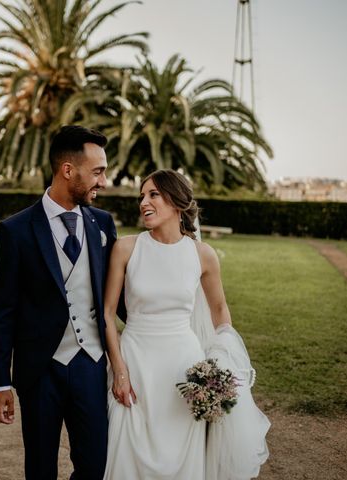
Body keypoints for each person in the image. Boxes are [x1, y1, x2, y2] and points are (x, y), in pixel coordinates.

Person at [102, 169, 270, 479]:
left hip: (184, 368)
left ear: (177, 202)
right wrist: (120, 371)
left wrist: (219, 358)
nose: (143, 202)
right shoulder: (126, 248)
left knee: (182, 455)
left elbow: (219, 309)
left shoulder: (202, 255)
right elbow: (107, 313)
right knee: (128, 449)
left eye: (153, 194)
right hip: (136, 361)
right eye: (142, 196)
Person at [0, 125, 120, 480]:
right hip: (39, 370)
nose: (103, 182)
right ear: (68, 171)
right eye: (98, 172)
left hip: (91, 364)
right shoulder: (15, 231)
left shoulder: (103, 224)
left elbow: (116, 297)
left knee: (95, 466)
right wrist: (0, 381)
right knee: (40, 467)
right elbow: (2, 311)